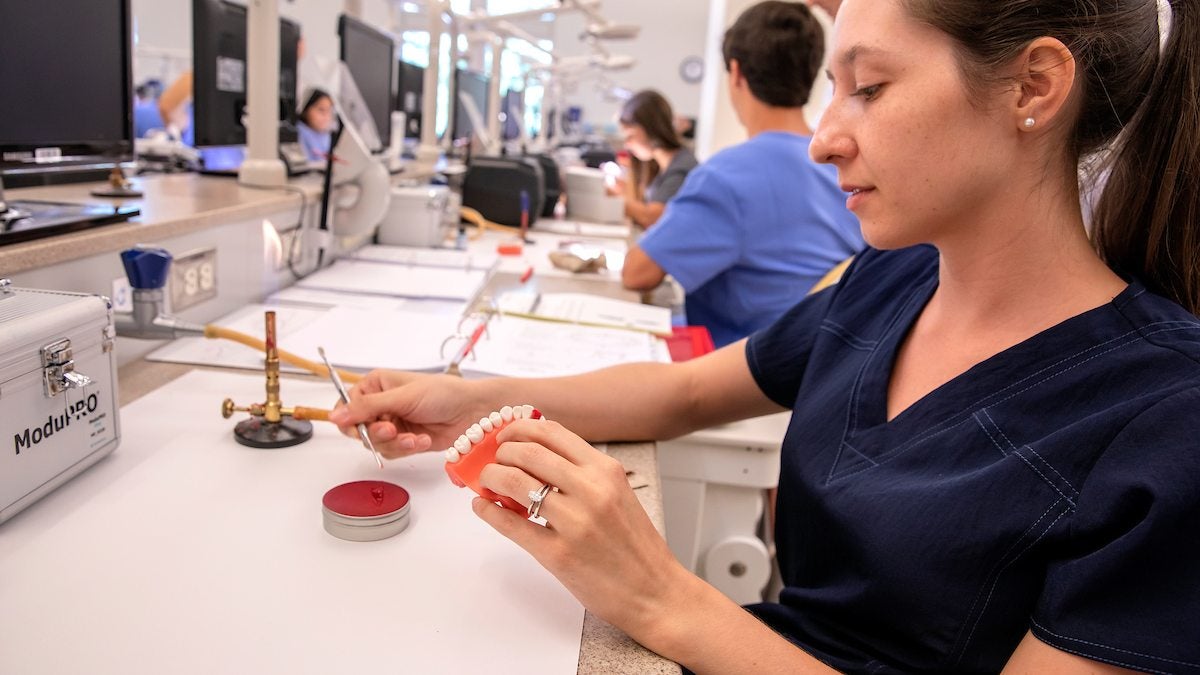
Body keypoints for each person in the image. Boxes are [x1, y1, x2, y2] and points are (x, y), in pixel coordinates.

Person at [331, 0, 1200, 671]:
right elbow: (686, 389)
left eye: (870, 87)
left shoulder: (1167, 417)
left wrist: (659, 593)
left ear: (1034, 87)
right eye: (832, 91)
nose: (823, 140)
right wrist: (470, 399)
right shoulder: (890, 282)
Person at [621, 2, 862, 348]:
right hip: (821, 366)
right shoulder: (844, 166)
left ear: (736, 73)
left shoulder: (727, 176)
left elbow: (636, 274)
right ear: (811, 73)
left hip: (745, 376)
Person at [608, 90, 698, 227]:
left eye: (630, 136)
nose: (627, 144)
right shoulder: (664, 165)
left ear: (651, 129)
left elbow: (652, 217)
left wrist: (612, 198)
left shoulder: (682, 168)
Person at [296, 88, 335, 162]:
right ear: (306, 109)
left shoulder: (326, 136)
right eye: (321, 110)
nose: (326, 116)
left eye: (329, 111)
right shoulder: (299, 132)